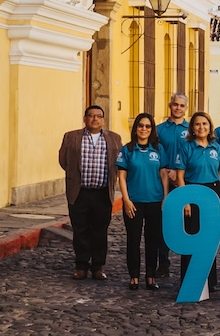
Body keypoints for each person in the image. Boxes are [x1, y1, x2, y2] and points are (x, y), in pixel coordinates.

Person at [57, 104, 121, 281]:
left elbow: (118, 163)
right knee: (81, 230)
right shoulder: (71, 137)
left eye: (98, 116)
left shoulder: (114, 139)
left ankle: (98, 267)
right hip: (80, 192)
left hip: (102, 193)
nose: (95, 119)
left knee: (100, 230)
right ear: (85, 119)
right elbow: (63, 160)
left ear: (103, 119)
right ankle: (81, 266)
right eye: (91, 116)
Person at [171, 110, 220, 299]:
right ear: (192, 128)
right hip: (192, 192)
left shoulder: (216, 147)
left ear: (210, 127)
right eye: (197, 124)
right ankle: (189, 280)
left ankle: (209, 281)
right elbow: (180, 175)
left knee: (209, 239)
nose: (201, 127)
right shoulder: (186, 147)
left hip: (212, 194)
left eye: (205, 124)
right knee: (192, 238)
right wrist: (185, 200)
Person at [116, 112, 168, 290]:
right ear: (135, 128)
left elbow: (163, 174)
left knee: (152, 240)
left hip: (154, 201)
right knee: (133, 240)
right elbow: (121, 177)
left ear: (152, 129)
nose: (144, 129)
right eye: (140, 126)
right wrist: (126, 200)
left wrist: (165, 197)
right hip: (134, 202)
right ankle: (134, 276)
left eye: (147, 126)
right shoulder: (128, 149)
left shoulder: (159, 149)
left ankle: (151, 276)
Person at [156, 93, 191, 169]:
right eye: (175, 104)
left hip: (186, 176)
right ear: (170, 106)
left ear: (186, 108)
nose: (178, 108)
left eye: (182, 106)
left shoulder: (192, 130)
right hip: (163, 175)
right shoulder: (158, 129)